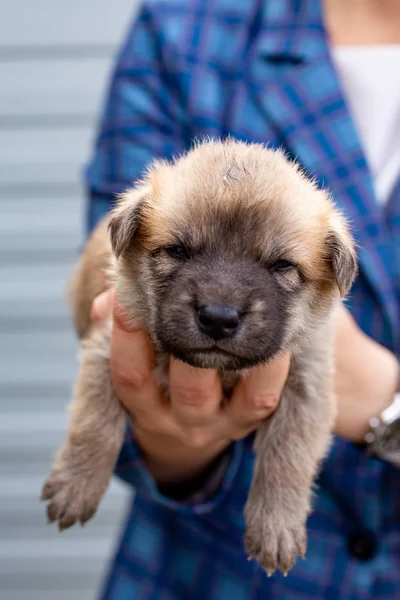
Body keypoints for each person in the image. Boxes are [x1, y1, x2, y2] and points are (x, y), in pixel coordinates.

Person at [86, 0, 400, 598]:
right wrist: (172, 437)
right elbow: (108, 289)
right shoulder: (186, 30)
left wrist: (386, 405)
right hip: (209, 576)